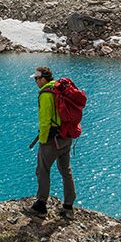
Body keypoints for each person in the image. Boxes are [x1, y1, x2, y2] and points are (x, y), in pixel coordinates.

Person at [26, 66, 76, 219]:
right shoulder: (59, 88)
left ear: (43, 78)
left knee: (42, 170)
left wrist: (42, 141)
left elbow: (45, 121)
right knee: (66, 171)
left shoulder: (46, 94)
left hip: (52, 140)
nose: (35, 82)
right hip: (66, 137)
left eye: (36, 79)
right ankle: (68, 206)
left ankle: (41, 206)